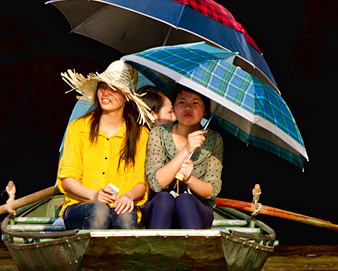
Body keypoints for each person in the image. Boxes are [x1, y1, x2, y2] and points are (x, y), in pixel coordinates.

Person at [53, 61, 154, 230]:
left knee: (125, 216)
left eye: (114, 89)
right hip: (80, 206)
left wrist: (128, 196)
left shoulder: (141, 134)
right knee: (99, 210)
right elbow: (68, 178)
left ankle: (120, 256)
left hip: (121, 207)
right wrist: (94, 195)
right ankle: (92, 256)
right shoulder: (78, 128)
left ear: (127, 96)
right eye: (102, 87)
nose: (106, 93)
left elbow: (141, 183)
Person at [142, 86, 224, 229]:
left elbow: (212, 189)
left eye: (195, 103)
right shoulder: (158, 133)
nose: (187, 108)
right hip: (160, 210)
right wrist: (186, 150)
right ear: (173, 107)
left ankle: (193, 250)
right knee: (164, 198)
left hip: (197, 210)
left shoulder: (214, 139)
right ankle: (157, 250)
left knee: (185, 200)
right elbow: (156, 183)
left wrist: (189, 179)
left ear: (205, 110)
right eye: (181, 102)